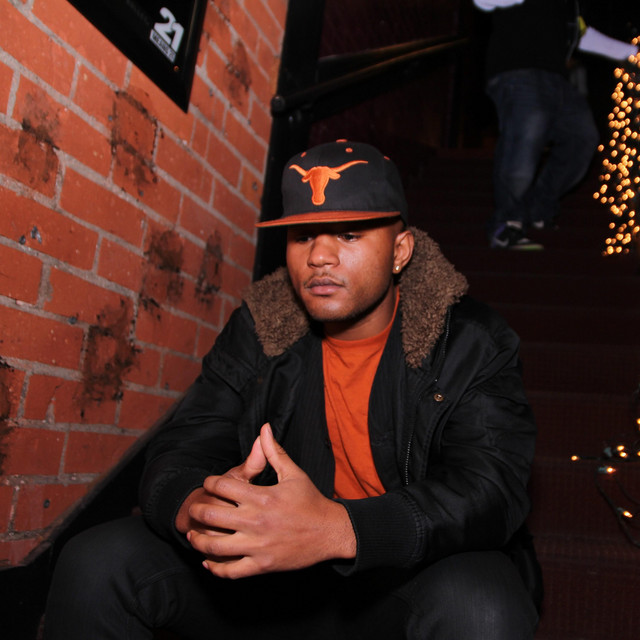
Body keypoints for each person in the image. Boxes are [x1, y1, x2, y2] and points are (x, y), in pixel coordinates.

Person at [44, 140, 541, 639]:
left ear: (400, 251)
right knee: (96, 562)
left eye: (348, 234)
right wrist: (198, 506)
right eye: (302, 236)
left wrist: (339, 529)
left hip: (393, 580)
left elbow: (491, 487)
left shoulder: (468, 342)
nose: (319, 256)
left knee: (482, 605)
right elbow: (186, 442)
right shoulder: (260, 328)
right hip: (269, 579)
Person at [474, 0, 638, 250]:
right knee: (526, 138)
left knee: (582, 138)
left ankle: (538, 209)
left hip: (556, 79)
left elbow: (581, 34)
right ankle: (506, 224)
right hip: (517, 72)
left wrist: (633, 53)